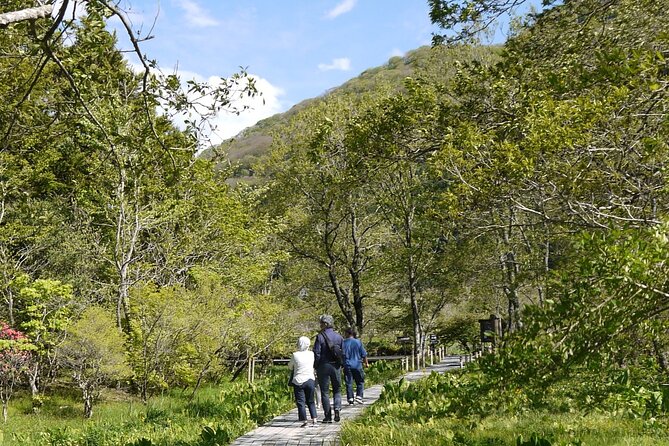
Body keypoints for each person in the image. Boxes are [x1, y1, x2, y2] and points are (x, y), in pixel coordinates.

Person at [313, 314, 345, 423]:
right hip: (335, 366)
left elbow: (317, 353)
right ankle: (337, 409)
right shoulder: (339, 337)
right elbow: (343, 353)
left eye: (321, 323)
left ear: (326, 324)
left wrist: (315, 366)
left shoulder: (320, 337)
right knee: (337, 389)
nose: (320, 325)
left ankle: (328, 416)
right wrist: (341, 365)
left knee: (325, 391)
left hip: (323, 366)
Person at [288, 336, 318, 427]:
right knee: (311, 400)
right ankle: (314, 419)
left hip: (298, 380)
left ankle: (305, 421)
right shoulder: (311, 354)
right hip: (310, 379)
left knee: (301, 401)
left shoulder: (295, 355)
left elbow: (290, 366)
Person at [342, 326, 368, 405]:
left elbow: (341, 354)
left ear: (348, 333)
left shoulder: (343, 343)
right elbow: (364, 354)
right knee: (360, 381)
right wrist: (366, 363)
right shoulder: (358, 342)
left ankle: (350, 399)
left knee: (349, 382)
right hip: (357, 365)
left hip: (347, 365)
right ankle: (359, 396)